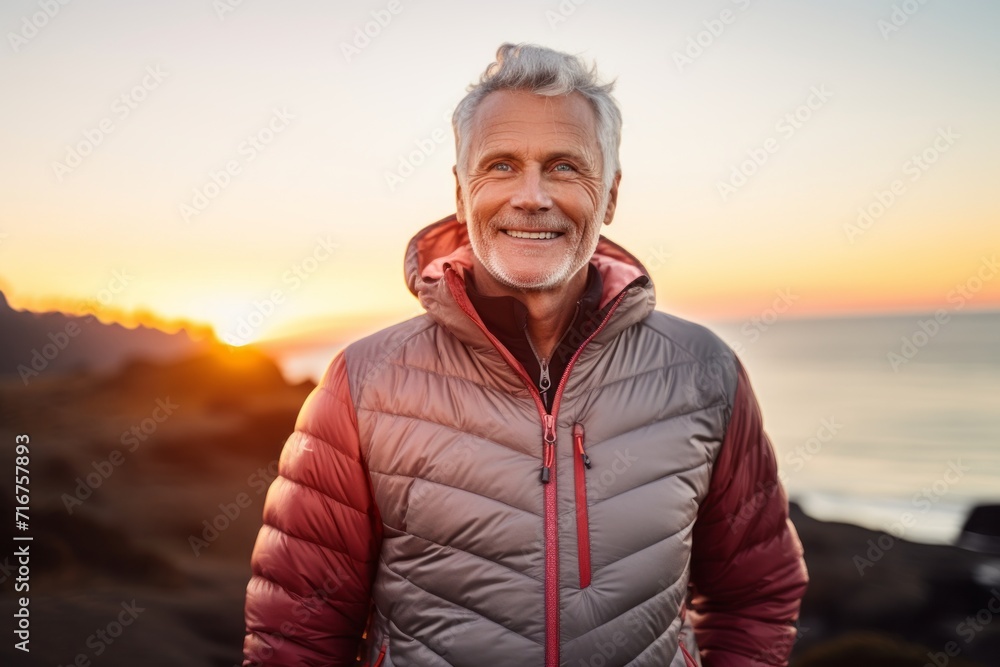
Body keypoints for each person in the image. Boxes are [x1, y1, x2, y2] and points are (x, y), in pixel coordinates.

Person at [243, 43, 808, 667]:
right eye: (502, 165)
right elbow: (295, 630)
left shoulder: (706, 371)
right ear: (461, 193)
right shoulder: (364, 382)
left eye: (565, 167)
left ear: (610, 195)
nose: (532, 196)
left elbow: (757, 593)